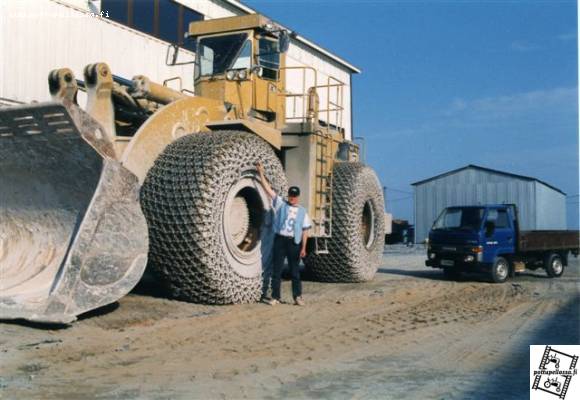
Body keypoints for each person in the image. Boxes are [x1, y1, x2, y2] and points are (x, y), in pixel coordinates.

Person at [256, 162, 311, 306]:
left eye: (294, 195)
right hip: (280, 240)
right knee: (277, 270)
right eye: (290, 195)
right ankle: (275, 297)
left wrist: (304, 248)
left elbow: (305, 231)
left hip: (294, 243)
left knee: (295, 272)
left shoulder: (303, 212)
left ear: (298, 197)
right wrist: (261, 172)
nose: (292, 197)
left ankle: (297, 297)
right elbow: (267, 189)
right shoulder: (280, 203)